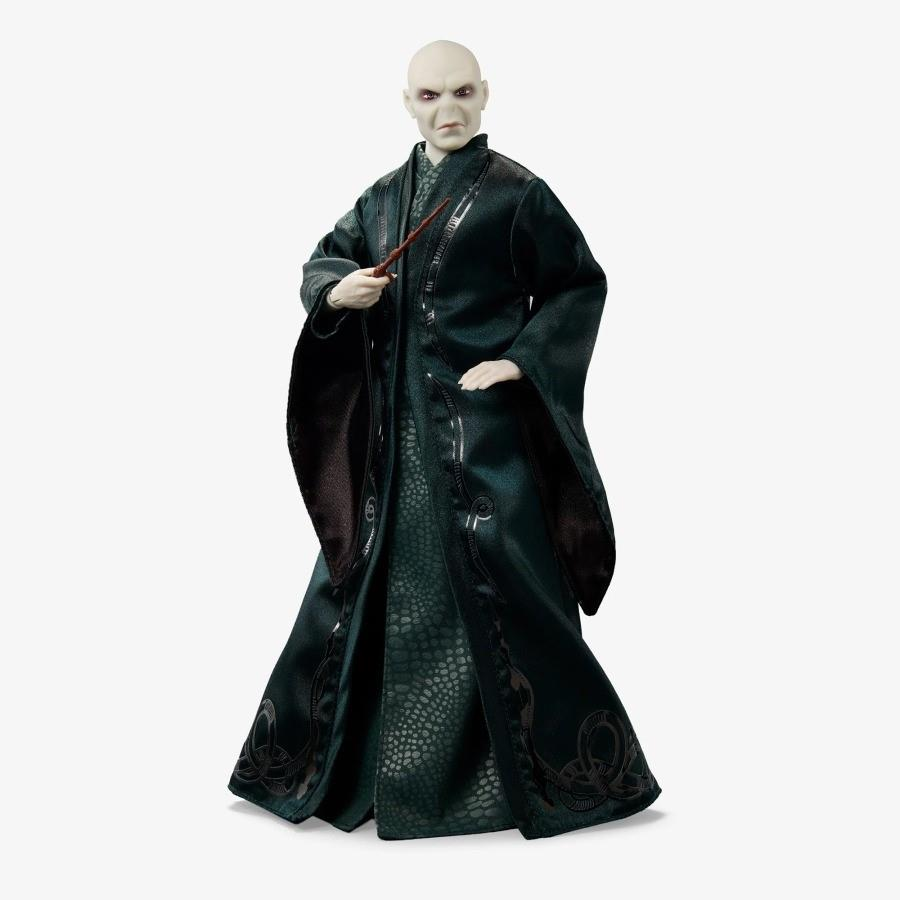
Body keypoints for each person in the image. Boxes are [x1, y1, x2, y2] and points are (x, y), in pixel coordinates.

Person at [228, 39, 661, 841]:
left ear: (485, 94)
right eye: (430, 96)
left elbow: (576, 284)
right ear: (409, 103)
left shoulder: (516, 195)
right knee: (355, 587)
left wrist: (521, 360)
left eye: (462, 92)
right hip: (390, 453)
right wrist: (338, 290)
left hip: (479, 442)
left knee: (509, 588)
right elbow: (323, 262)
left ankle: (521, 776)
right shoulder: (383, 199)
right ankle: (349, 769)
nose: (448, 109)